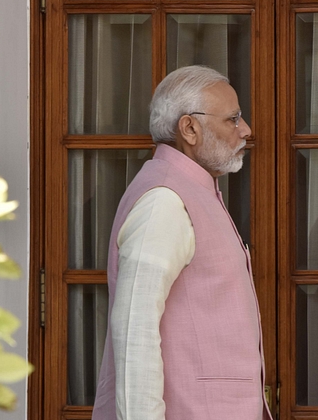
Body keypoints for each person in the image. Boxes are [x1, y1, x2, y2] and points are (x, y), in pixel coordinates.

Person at [92, 65, 273, 420]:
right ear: (189, 128)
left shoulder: (189, 190)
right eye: (233, 119)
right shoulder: (164, 200)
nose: (246, 130)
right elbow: (135, 330)